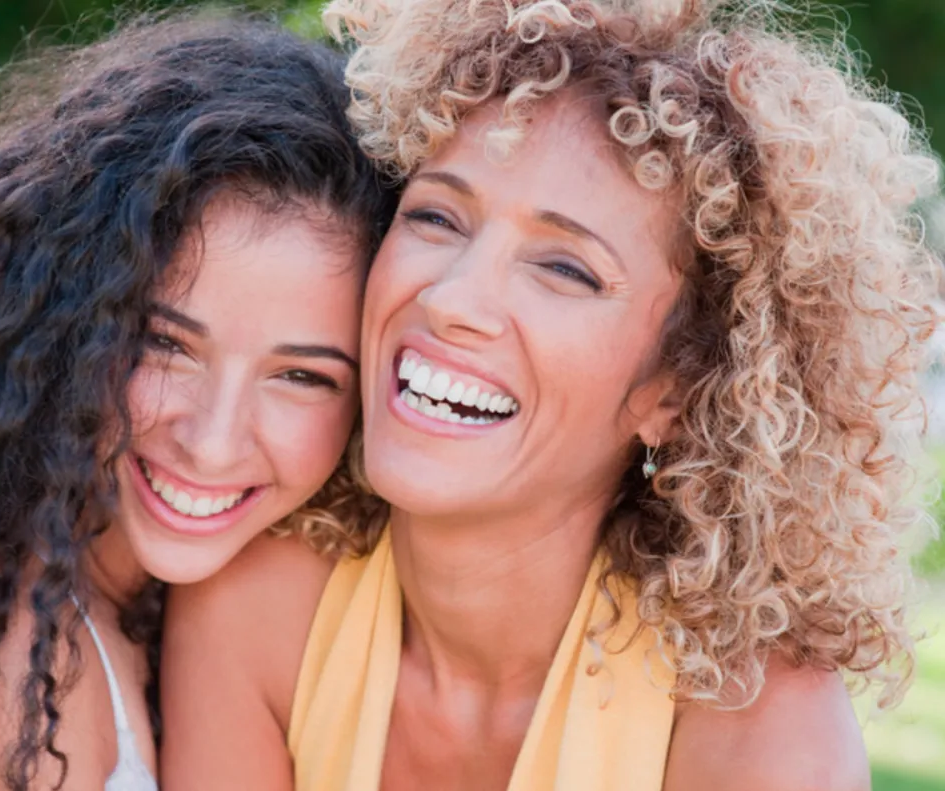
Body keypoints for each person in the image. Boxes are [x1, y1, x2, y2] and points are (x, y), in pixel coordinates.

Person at [160, 1, 941, 789]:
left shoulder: (758, 728)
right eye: (437, 217)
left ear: (677, 388)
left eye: (565, 268)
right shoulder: (258, 613)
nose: (451, 299)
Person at [0, 13, 396, 791]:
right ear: (64, 323)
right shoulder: (12, 660)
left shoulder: (158, 608)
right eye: (166, 343)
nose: (214, 440)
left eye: (302, 376)